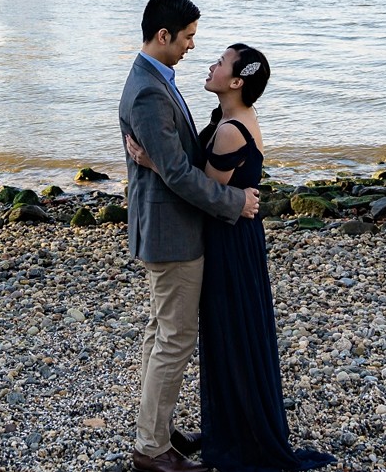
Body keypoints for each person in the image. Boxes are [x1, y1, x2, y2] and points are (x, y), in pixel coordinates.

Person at [129, 44, 334, 472]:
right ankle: (196, 428)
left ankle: (230, 429)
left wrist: (153, 162)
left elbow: (202, 192)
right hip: (232, 235)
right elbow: (204, 183)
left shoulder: (229, 129)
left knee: (226, 333)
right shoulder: (226, 119)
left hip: (227, 240)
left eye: (221, 63)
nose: (210, 64)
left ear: (237, 81)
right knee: (219, 332)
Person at [120, 0, 261, 472]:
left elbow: (174, 161)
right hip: (171, 233)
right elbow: (180, 174)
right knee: (173, 339)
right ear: (164, 36)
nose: (192, 47)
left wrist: (156, 161)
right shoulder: (147, 89)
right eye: (188, 37)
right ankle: (151, 449)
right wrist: (235, 202)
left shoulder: (158, 79)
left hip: (166, 227)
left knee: (163, 332)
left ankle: (155, 427)